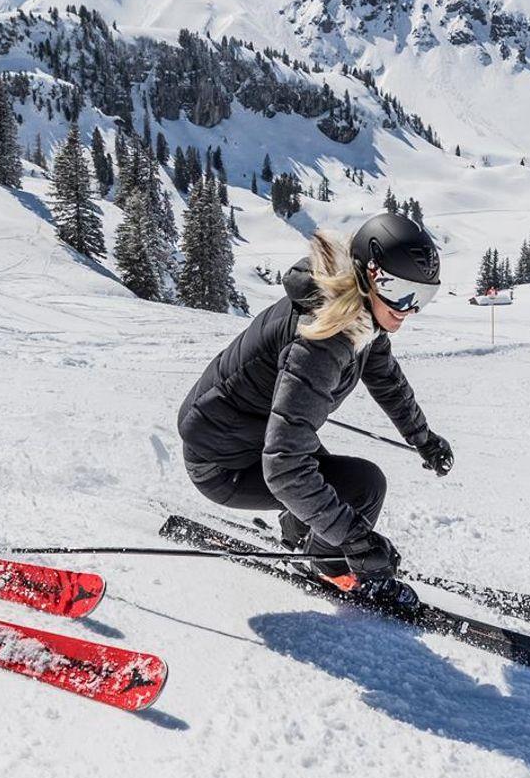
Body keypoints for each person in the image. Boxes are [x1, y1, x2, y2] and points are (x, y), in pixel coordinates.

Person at [177, 212, 454, 603]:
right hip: (223, 462)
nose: (407, 309)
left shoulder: (355, 310)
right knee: (364, 486)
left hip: (248, 435)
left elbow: (385, 377)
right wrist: (355, 541)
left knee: (330, 479)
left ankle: (302, 532)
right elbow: (285, 468)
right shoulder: (323, 337)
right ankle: (331, 568)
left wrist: (422, 437)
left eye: (421, 297)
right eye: (398, 291)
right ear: (368, 274)